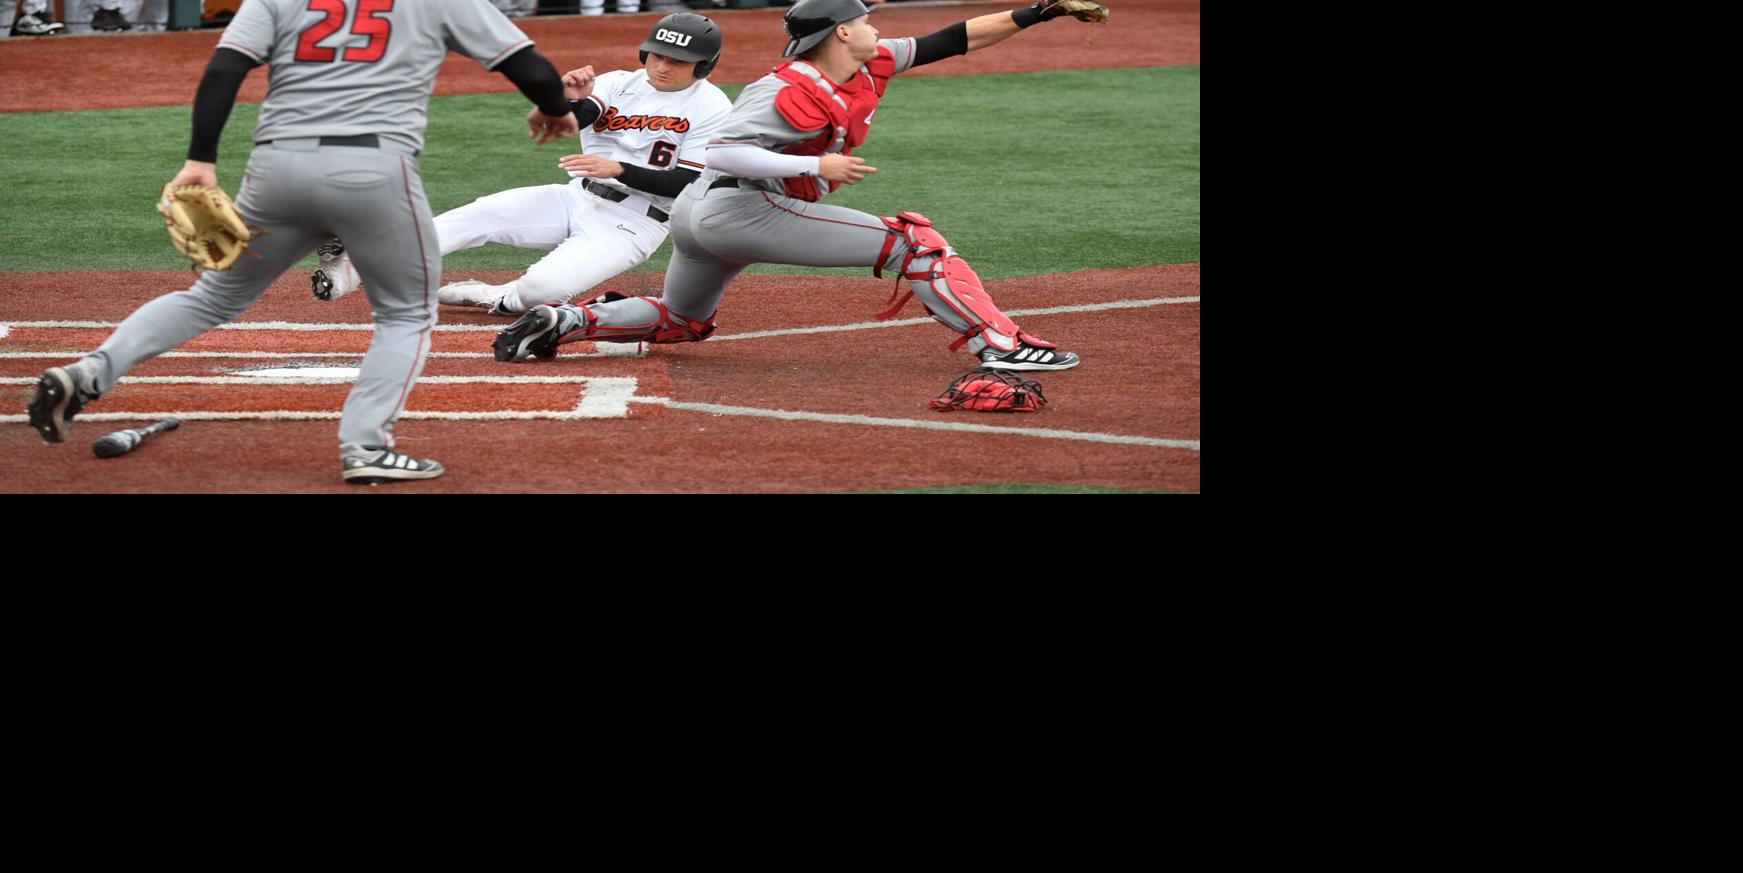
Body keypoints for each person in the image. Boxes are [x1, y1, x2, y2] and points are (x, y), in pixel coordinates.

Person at [27, 0, 579, 484]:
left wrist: (200, 159)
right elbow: (527, 65)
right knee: (405, 313)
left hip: (276, 171)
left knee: (212, 297)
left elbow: (224, 69)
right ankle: (366, 447)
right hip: (371, 172)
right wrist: (554, 110)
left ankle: (88, 374)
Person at [492, 0, 1089, 371]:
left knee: (681, 320)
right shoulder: (785, 89)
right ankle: (1003, 345)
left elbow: (952, 40)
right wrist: (812, 168)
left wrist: (1039, 11)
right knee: (916, 244)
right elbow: (724, 151)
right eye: (863, 20)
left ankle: (567, 323)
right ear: (838, 35)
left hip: (701, 218)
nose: (874, 26)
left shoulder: (867, 60)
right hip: (738, 207)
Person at [311, 13, 731, 319]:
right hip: (574, 198)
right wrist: (566, 99)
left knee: (539, 291)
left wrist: (618, 168)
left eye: (677, 60)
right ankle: (352, 267)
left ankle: (496, 295)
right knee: (476, 215)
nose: (662, 65)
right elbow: (571, 122)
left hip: (633, 225)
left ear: (704, 66)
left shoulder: (712, 107)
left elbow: (689, 184)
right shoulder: (621, 81)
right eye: (657, 54)